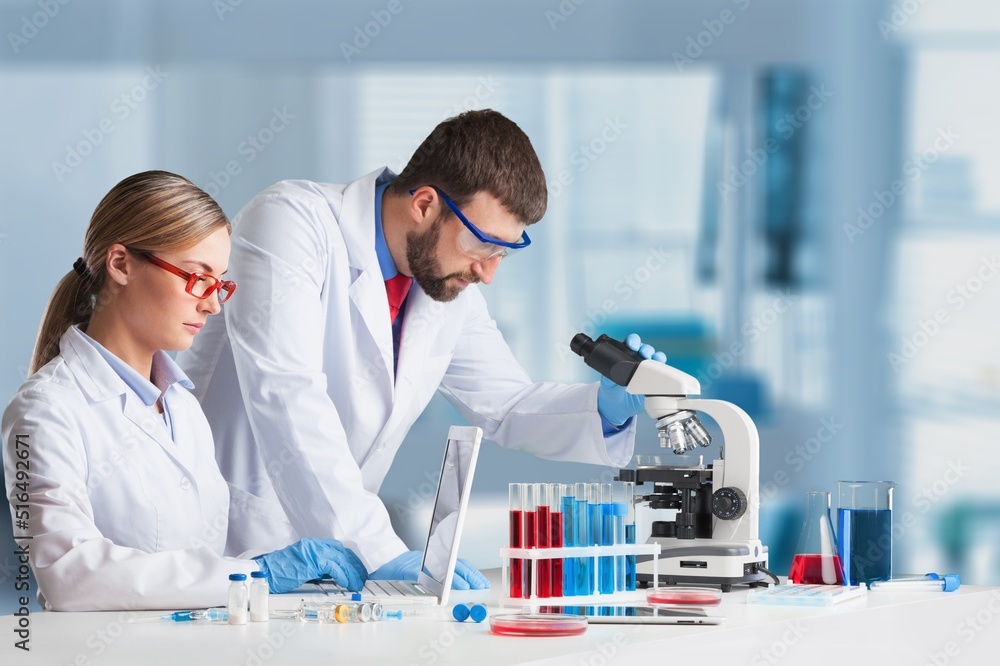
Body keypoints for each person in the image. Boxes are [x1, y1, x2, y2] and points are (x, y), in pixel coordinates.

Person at [178, 110, 663, 589]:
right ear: (425, 204)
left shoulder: (444, 287)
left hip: (334, 569)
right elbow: (286, 395)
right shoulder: (290, 223)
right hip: (230, 550)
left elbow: (507, 404)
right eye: (483, 245)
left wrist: (602, 409)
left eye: (503, 253)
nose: (487, 273)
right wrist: (379, 551)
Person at [2, 171, 366, 611]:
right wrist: (256, 575)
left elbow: (192, 564)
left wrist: (269, 567)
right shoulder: (44, 410)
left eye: (220, 284)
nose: (213, 303)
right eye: (197, 277)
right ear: (120, 264)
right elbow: (69, 574)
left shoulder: (182, 406)